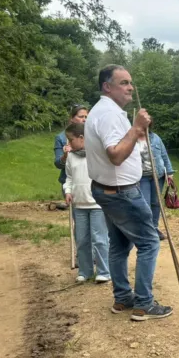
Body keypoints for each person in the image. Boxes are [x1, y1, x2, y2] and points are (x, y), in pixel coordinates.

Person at [84, 64, 173, 322]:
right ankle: (144, 304)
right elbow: (116, 156)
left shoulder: (102, 111)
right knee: (149, 242)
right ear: (107, 87)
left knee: (120, 244)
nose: (130, 88)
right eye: (123, 83)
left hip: (107, 190)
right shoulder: (110, 114)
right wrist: (136, 129)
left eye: (130, 83)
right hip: (122, 192)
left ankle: (123, 297)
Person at [63, 122, 110, 284]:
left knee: (99, 239)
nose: (68, 144)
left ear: (82, 138)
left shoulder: (97, 153)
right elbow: (69, 177)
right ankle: (85, 271)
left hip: (97, 204)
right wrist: (68, 191)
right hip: (79, 205)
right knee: (82, 240)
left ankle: (104, 271)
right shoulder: (70, 156)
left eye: (71, 140)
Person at [136, 130, 175, 240]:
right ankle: (146, 230)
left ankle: (154, 228)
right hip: (142, 176)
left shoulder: (155, 138)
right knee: (145, 204)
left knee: (156, 203)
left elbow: (164, 155)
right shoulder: (133, 138)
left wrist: (170, 172)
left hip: (157, 176)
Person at [54, 105, 88, 199]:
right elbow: (58, 164)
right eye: (81, 117)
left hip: (89, 182)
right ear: (72, 118)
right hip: (69, 181)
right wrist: (65, 156)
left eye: (86, 117)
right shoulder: (61, 138)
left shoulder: (93, 135)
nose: (84, 119)